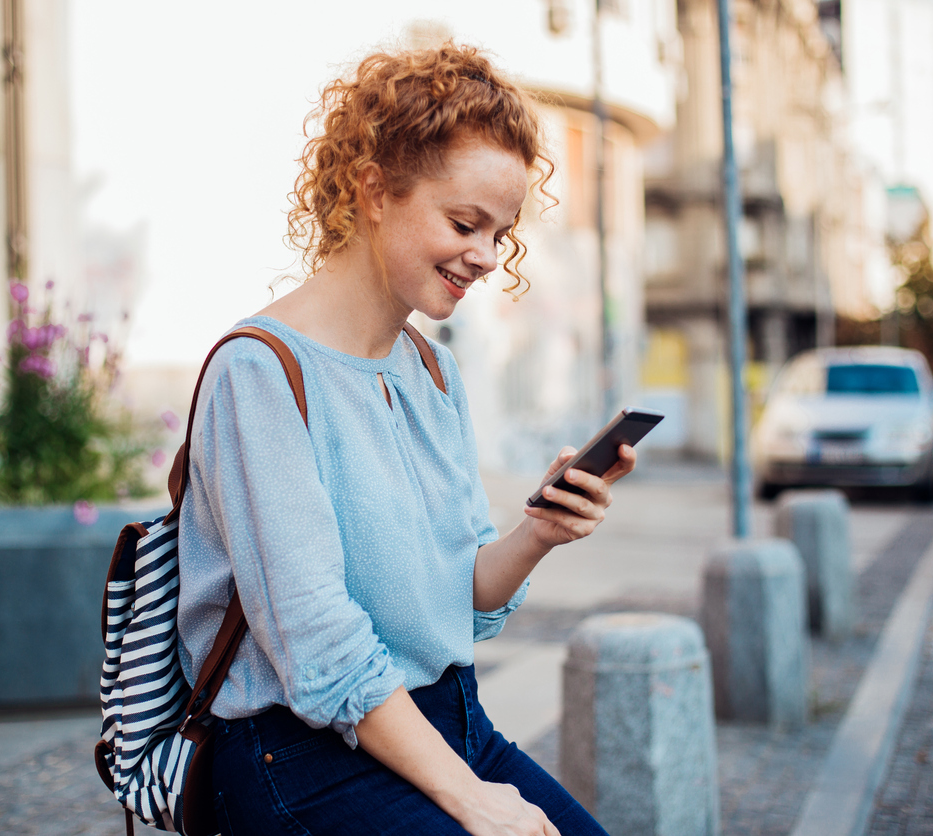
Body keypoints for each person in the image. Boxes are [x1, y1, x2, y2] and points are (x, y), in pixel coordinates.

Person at [176, 43, 636, 836]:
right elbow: (320, 649)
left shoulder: (433, 372)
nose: (488, 257)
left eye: (502, 232)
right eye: (465, 223)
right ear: (374, 189)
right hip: (300, 759)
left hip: (448, 726)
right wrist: (471, 800)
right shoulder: (259, 374)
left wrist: (540, 532)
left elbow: (467, 600)